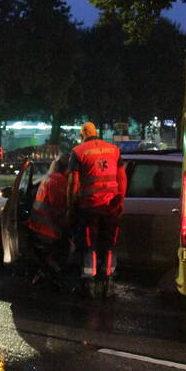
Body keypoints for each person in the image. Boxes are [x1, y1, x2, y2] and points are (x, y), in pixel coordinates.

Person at [67, 122, 127, 299]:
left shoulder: (78, 152)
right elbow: (122, 178)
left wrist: (70, 206)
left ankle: (89, 282)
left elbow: (73, 183)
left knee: (89, 245)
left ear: (82, 134)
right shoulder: (114, 150)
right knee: (110, 244)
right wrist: (120, 201)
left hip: (89, 208)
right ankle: (109, 281)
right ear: (96, 132)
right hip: (111, 207)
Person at [27, 153, 72, 287]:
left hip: (37, 226)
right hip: (47, 229)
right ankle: (54, 274)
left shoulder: (49, 178)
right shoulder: (58, 180)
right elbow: (58, 208)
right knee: (66, 247)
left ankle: (46, 271)